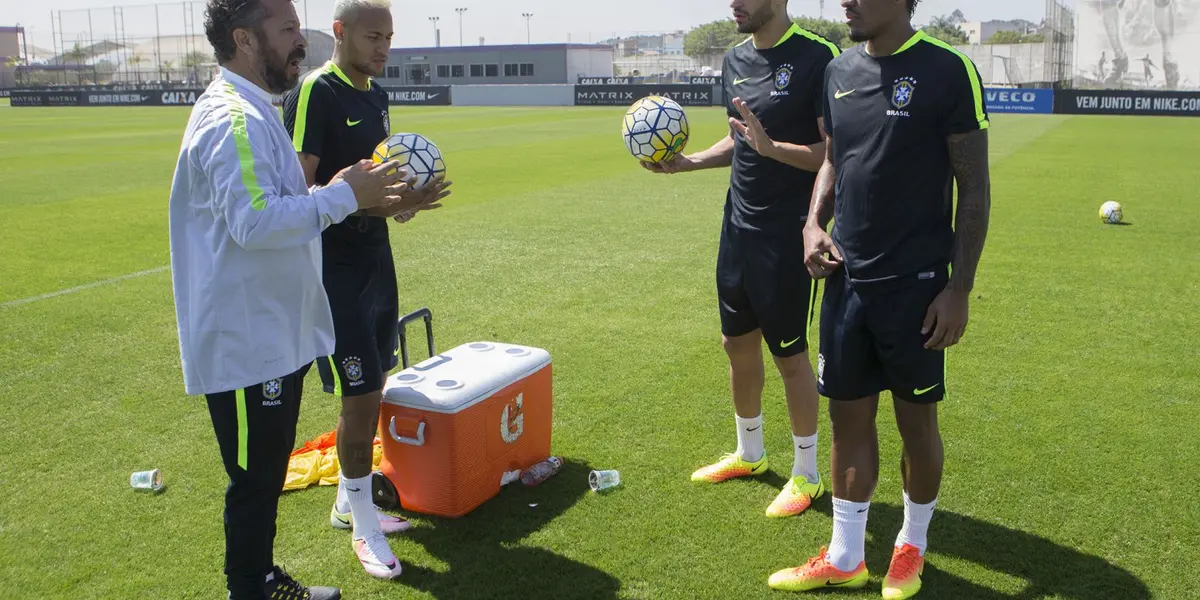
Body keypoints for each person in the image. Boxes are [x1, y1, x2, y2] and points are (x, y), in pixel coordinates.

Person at [168, 0, 428, 596]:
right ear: (244, 39)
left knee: (263, 473)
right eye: (286, 29)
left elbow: (281, 205)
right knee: (256, 479)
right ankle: (251, 586)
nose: (298, 41)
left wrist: (346, 192)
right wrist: (344, 196)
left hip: (270, 329)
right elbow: (255, 222)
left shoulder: (255, 110)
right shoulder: (232, 119)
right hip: (245, 337)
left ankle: (261, 580)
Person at [769, 0, 991, 597]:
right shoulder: (838, 71)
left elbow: (974, 187)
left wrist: (959, 288)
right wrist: (813, 224)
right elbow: (834, 159)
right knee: (847, 417)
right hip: (846, 280)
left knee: (916, 422)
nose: (847, 1)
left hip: (917, 288)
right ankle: (845, 556)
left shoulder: (948, 69)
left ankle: (910, 547)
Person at [643, 0, 839, 518]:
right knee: (736, 342)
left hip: (788, 232)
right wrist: (689, 162)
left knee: (789, 355)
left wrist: (774, 150)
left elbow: (834, 153)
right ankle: (750, 454)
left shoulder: (819, 57)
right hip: (738, 225)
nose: (734, 3)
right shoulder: (734, 60)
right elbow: (741, 140)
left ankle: (807, 474)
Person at [282, 0, 451, 580]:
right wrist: (368, 203)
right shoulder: (316, 91)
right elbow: (301, 192)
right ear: (340, 32)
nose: (384, 48)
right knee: (359, 397)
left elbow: (371, 194)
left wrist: (406, 204)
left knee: (374, 385)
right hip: (334, 273)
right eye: (373, 36)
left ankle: (346, 502)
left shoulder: (376, 97)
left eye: (389, 37)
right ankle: (363, 527)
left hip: (376, 261)